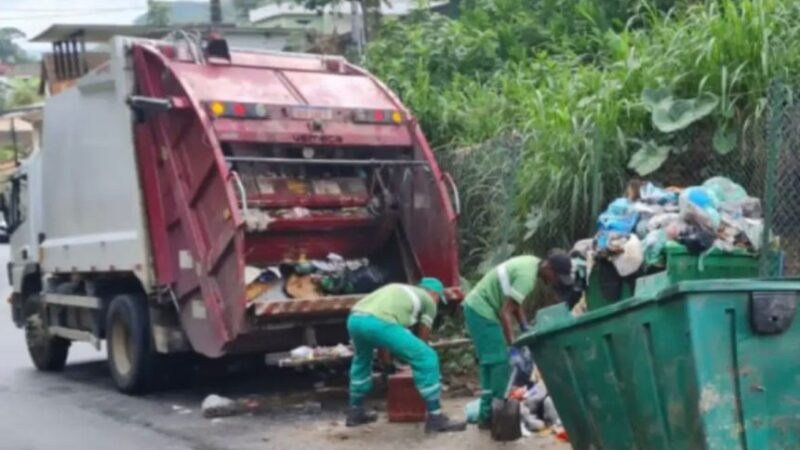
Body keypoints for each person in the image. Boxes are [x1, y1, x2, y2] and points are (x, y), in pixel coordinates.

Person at [463, 250, 574, 428]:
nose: (554, 282)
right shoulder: (527, 278)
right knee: (499, 362)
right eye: (556, 277)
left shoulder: (531, 262)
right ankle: (494, 415)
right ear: (549, 268)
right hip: (482, 310)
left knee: (489, 364)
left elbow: (515, 303)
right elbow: (506, 312)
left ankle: (486, 415)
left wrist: (523, 326)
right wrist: (513, 346)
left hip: (475, 307)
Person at [346, 277, 467, 433]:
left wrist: (388, 365)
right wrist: (413, 359)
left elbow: (383, 336)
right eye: (439, 299)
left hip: (355, 319)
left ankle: (355, 412)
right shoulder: (428, 301)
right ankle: (435, 418)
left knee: (362, 360)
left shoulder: (399, 290)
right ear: (434, 294)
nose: (437, 303)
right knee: (427, 357)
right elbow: (422, 339)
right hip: (379, 322)